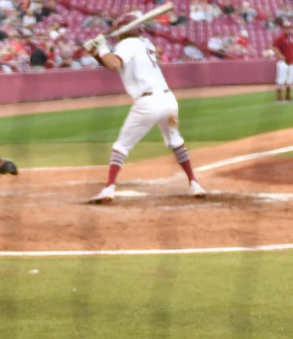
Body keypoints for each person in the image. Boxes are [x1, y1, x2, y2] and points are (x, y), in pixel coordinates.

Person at [83, 14, 205, 203]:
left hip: (148, 102)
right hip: (168, 100)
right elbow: (111, 63)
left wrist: (102, 47)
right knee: (175, 140)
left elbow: (115, 64)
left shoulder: (127, 44)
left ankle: (108, 189)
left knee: (121, 145)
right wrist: (96, 53)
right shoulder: (143, 43)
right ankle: (194, 183)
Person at [270, 19, 293, 102]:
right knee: (281, 79)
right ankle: (279, 97)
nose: (288, 29)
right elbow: (272, 46)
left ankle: (288, 96)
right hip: (283, 61)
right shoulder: (281, 37)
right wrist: (280, 55)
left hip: (291, 61)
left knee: (290, 80)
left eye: (289, 27)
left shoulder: (292, 37)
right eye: (286, 28)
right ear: (284, 29)